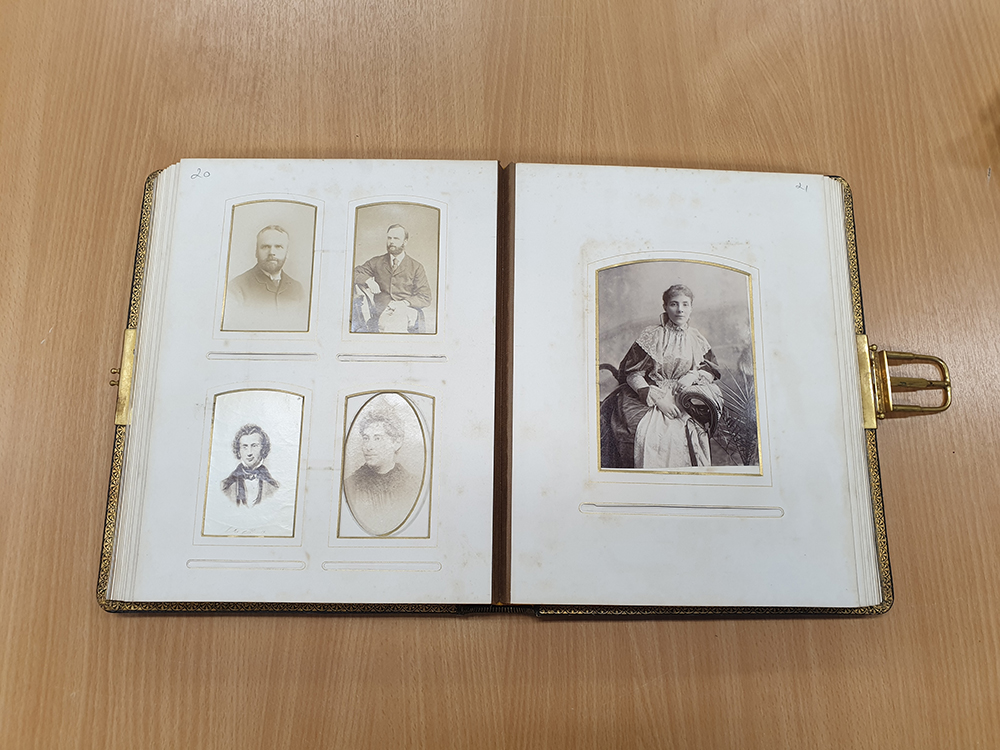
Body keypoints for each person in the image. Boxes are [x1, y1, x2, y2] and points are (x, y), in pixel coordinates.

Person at [600, 284, 723, 469]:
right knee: (652, 434)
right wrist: (658, 400)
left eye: (685, 304)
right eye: (674, 304)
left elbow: (710, 369)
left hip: (685, 394)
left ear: (691, 307)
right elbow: (633, 372)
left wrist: (692, 376)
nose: (680, 309)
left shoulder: (696, 338)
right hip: (655, 393)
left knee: (691, 429)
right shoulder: (652, 335)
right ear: (665, 306)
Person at [344, 407, 421, 535]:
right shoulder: (351, 485)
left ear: (396, 442)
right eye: (366, 438)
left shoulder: (413, 484)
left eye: (377, 438)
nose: (368, 447)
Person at [224, 225, 308, 331]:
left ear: (287, 253)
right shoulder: (236, 287)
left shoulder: (297, 288)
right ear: (256, 252)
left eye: (278, 246)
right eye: (265, 246)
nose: (271, 252)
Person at [352, 224, 432, 333]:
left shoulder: (416, 267)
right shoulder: (377, 262)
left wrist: (404, 303)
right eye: (389, 238)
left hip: (407, 309)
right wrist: (368, 281)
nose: (391, 241)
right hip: (383, 309)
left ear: (405, 242)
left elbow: (425, 297)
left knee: (398, 318)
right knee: (392, 321)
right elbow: (354, 272)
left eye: (396, 238)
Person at [221, 424, 279, 506]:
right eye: (245, 447)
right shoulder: (225, 486)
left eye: (254, 446)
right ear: (238, 451)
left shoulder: (275, 487)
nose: (249, 453)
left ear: (263, 449)